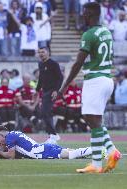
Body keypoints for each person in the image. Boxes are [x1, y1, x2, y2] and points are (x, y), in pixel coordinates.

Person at [57, 2, 121, 173]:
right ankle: (111, 152)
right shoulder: (106, 31)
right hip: (107, 78)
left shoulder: (89, 34)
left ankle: (98, 163)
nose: (82, 15)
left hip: (95, 79)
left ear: (91, 14)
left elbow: (78, 62)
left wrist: (64, 87)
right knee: (94, 120)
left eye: (84, 13)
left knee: (89, 117)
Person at [0, 125, 92, 159]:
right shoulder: (13, 134)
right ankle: (100, 153)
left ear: (1, 135)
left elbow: (11, 155)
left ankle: (98, 150)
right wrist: (1, 147)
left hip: (41, 152)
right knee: (73, 153)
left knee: (72, 154)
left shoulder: (9, 137)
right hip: (43, 148)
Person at [36, 47, 63, 144]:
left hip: (51, 91)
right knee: (44, 112)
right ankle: (52, 134)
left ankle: (53, 135)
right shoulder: (41, 64)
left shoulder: (53, 64)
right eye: (39, 52)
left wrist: (56, 90)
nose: (41, 54)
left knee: (45, 111)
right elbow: (41, 78)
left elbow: (60, 78)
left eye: (43, 52)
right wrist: (37, 89)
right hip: (45, 91)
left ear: (48, 53)